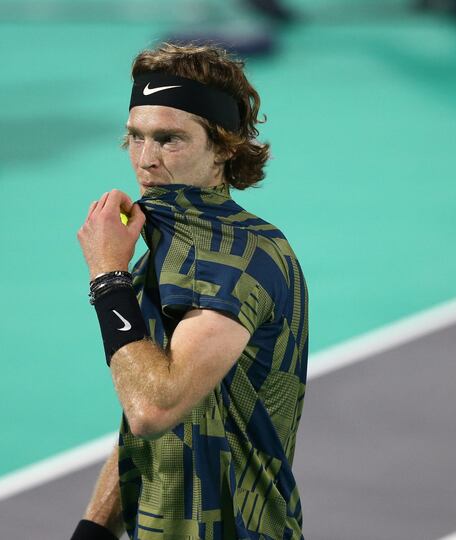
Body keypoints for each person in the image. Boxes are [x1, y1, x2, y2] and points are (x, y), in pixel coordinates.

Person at [75, 42, 309, 540]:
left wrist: (107, 276)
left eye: (169, 140)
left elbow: (155, 409)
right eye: (135, 137)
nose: (146, 160)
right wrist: (95, 529)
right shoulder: (169, 245)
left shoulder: (236, 259)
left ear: (225, 146)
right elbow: (149, 412)